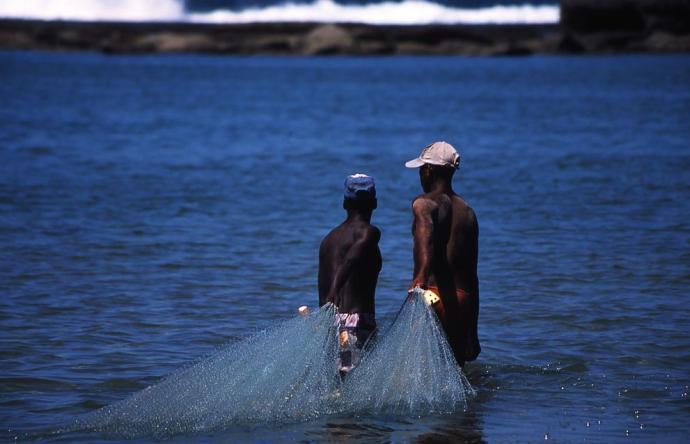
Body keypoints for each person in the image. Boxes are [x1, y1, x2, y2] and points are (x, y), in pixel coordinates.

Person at [405, 141, 480, 367]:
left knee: (424, 372)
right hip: (462, 300)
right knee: (455, 371)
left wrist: (419, 278)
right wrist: (472, 332)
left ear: (428, 170)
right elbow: (472, 274)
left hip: (432, 296)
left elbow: (424, 237)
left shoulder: (424, 203)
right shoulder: (468, 212)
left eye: (421, 168)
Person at [318, 174, 382, 374]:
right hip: (356, 325)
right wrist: (334, 291)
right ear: (375, 203)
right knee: (354, 385)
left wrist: (328, 302)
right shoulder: (369, 232)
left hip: (329, 324)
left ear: (345, 203)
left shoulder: (329, 239)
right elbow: (351, 260)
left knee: (337, 384)